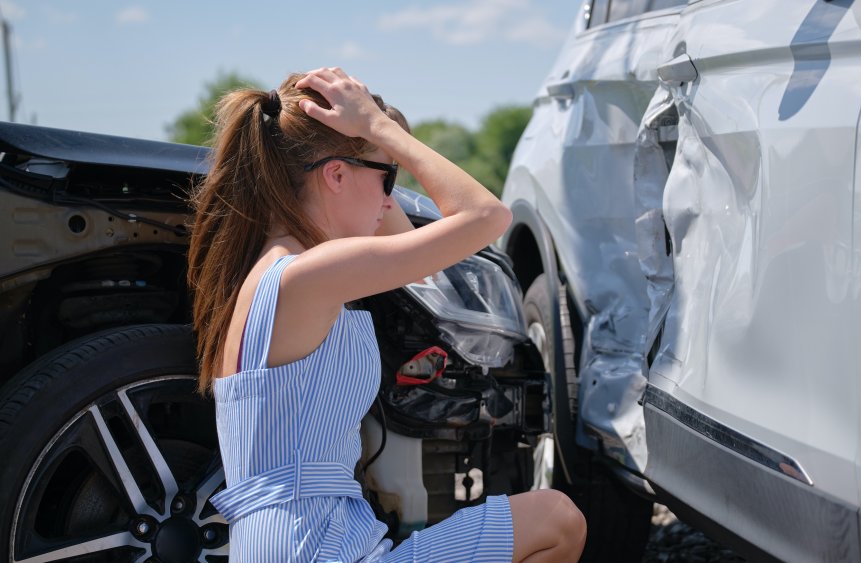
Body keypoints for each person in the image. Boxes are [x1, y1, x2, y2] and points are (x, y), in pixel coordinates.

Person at [187, 67, 586, 562]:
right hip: (314, 549)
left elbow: (401, 240)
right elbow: (487, 217)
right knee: (557, 519)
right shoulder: (310, 273)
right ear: (335, 175)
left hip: (306, 544)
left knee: (553, 518)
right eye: (386, 178)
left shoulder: (279, 270)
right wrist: (378, 130)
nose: (389, 198)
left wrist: (377, 143)